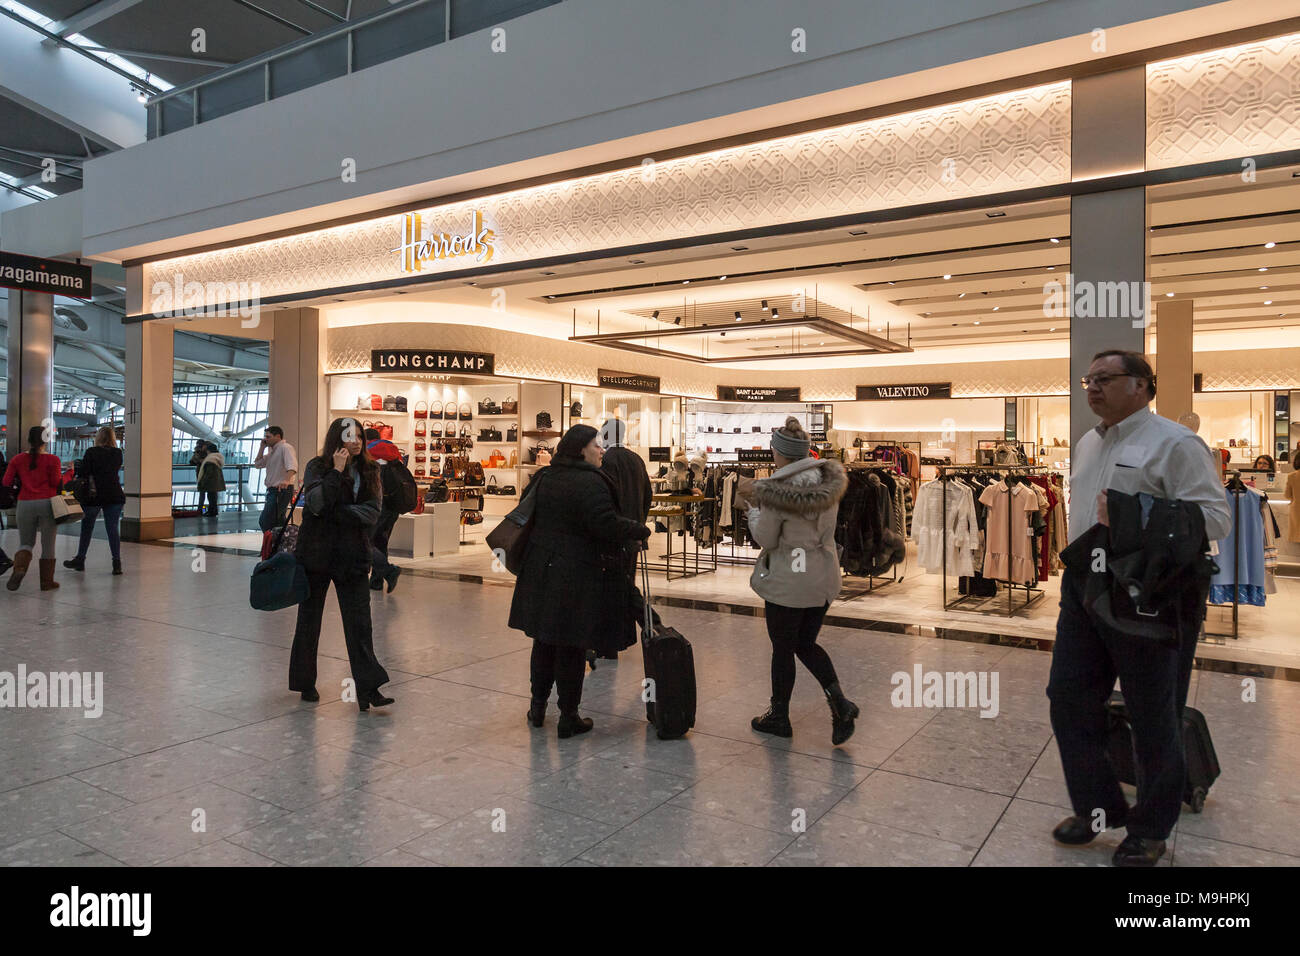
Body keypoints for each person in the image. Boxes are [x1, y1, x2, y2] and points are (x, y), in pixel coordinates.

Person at [1048, 350, 1231, 867]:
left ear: (1143, 386)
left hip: (1150, 594)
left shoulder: (1176, 443)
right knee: (1068, 697)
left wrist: (1140, 510)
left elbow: (1217, 519)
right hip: (1086, 585)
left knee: (1153, 712)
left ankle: (1151, 827)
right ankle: (1097, 808)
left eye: (1106, 379)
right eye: (1090, 379)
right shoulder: (1087, 443)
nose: (1093, 388)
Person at [508, 424, 650, 737]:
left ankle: (537, 707)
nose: (601, 450)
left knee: (544, 642)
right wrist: (637, 530)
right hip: (574, 574)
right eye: (596, 446)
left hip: (541, 569)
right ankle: (568, 716)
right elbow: (603, 524)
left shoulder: (546, 476)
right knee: (571, 646)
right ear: (581, 449)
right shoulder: (589, 482)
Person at [743, 417, 858, 745]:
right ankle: (840, 703)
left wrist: (753, 510)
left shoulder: (779, 489)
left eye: (774, 451)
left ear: (782, 454)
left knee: (783, 647)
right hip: (822, 575)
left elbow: (766, 537)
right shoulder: (828, 483)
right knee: (804, 643)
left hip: (788, 580)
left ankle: (779, 716)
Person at [289, 418, 394, 712]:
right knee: (309, 622)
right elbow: (317, 504)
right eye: (351, 436)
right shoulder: (317, 467)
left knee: (360, 625)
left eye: (360, 436)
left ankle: (368, 688)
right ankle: (304, 682)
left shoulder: (370, 469)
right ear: (337, 439)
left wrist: (338, 512)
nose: (357, 442)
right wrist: (336, 472)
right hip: (316, 556)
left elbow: (372, 513)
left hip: (353, 558)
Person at [598, 418, 653, 659]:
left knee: (610, 589)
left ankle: (609, 643)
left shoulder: (606, 461)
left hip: (613, 536)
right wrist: (639, 525)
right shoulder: (636, 459)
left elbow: (605, 500)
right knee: (627, 585)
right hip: (633, 536)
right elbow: (647, 496)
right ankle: (624, 636)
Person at [3, 425, 66, 591]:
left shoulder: (17, 459)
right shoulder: (53, 460)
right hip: (47, 504)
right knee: (48, 544)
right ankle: (46, 582)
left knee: (26, 543)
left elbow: (6, 482)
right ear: (46, 440)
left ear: (29, 440)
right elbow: (55, 482)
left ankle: (19, 568)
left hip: (25, 504)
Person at [64, 425, 126, 575]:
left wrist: (75, 466)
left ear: (98, 438)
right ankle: (116, 563)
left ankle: (80, 559)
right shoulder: (118, 453)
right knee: (112, 529)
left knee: (87, 527)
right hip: (114, 494)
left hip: (94, 495)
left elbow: (84, 472)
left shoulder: (91, 452)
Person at [364, 427, 403, 593]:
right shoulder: (394, 452)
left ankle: (389, 571)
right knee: (381, 542)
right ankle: (376, 581)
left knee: (364, 542)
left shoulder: (369, 453)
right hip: (393, 504)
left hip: (376, 505)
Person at [254, 426, 298, 531]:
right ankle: (281, 544)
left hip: (281, 489)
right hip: (275, 490)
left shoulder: (285, 448)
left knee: (266, 520)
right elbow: (257, 464)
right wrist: (262, 448)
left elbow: (292, 465)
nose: (265, 439)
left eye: (268, 437)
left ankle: (273, 544)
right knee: (277, 521)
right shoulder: (272, 452)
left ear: (278, 436)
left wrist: (286, 480)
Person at [191, 440, 226, 517]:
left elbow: (208, 473)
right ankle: (210, 510)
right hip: (214, 480)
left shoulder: (210, 459)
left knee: (210, 496)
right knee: (212, 496)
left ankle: (205, 510)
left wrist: (203, 482)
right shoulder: (216, 458)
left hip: (209, 481)